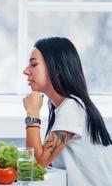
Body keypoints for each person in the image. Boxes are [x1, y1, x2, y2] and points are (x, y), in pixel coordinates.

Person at [22, 37, 112, 186]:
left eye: (34, 64)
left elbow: (37, 163)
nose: (26, 71)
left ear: (56, 70)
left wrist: (32, 113)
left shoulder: (72, 107)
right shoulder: (64, 107)